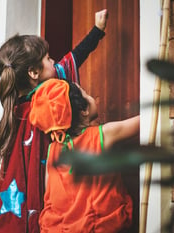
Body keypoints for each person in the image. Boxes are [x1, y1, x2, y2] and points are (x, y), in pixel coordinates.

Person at [0, 9, 108, 233]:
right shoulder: (51, 97)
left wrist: (96, 31)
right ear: (33, 72)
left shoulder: (14, 107)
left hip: (12, 208)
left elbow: (66, 63)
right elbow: (69, 63)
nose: (54, 61)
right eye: (48, 58)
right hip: (45, 198)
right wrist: (98, 31)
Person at [29, 79, 139, 233]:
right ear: (84, 110)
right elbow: (142, 122)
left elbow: (49, 195)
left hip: (57, 228)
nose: (90, 96)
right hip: (98, 227)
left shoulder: (52, 150)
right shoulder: (103, 134)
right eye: (87, 94)